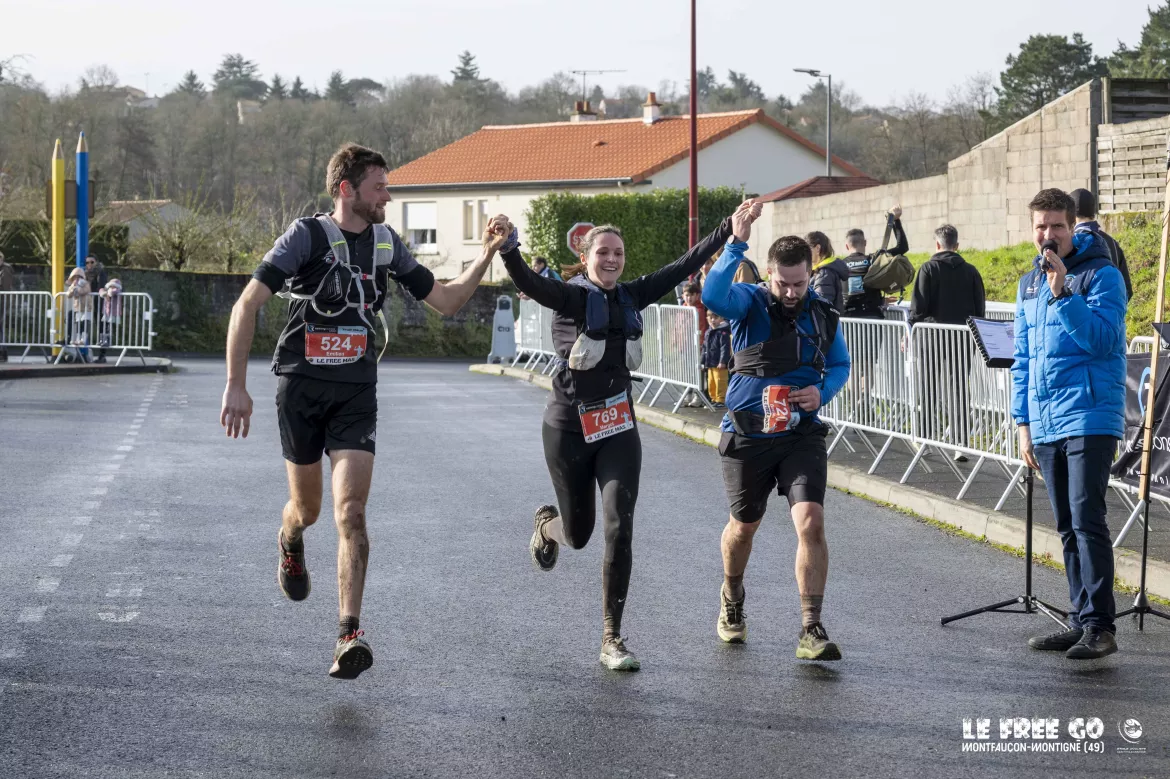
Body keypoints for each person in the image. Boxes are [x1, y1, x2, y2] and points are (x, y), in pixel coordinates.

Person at [219, 142, 511, 679]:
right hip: (301, 388)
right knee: (306, 510)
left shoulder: (385, 243)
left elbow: (446, 301)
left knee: (351, 512)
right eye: (379, 187)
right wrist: (235, 384)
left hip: (356, 391)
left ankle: (348, 633)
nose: (388, 197)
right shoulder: (306, 237)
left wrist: (488, 253)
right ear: (345, 189)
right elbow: (246, 304)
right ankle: (290, 538)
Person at [501, 200, 759, 671]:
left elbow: (684, 263)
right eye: (602, 252)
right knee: (578, 534)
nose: (611, 259)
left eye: (618, 253)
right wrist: (509, 248)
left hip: (618, 428)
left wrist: (729, 229)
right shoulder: (571, 297)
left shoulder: (632, 295)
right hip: (568, 428)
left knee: (619, 526)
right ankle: (547, 527)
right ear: (585, 258)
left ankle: (612, 637)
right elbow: (531, 284)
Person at [702, 230, 851, 660]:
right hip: (748, 436)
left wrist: (822, 391)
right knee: (743, 528)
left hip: (800, 435)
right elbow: (712, 295)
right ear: (769, 274)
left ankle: (811, 627)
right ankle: (732, 595)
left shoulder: (822, 314)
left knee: (811, 522)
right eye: (782, 283)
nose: (790, 292)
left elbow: (839, 364)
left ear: (810, 274)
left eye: (799, 283)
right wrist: (735, 244)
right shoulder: (748, 303)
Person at [1013, 188, 1127, 660]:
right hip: (1045, 421)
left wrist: (1062, 294)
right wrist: (1022, 423)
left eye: (1057, 226)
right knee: (1065, 524)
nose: (1048, 234)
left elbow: (1102, 340)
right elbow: (1023, 358)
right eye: (1041, 226)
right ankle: (1080, 618)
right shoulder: (1028, 283)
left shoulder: (1102, 274)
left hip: (1089, 414)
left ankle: (1101, 625)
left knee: (1086, 518)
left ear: (1073, 227)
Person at [909, 224, 986, 460]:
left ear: (937, 244)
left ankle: (924, 439)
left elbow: (918, 308)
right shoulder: (971, 271)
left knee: (928, 386)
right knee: (959, 387)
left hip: (931, 336)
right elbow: (979, 309)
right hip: (962, 337)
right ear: (957, 245)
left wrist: (909, 330)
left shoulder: (928, 268)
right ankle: (960, 443)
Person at [842, 207, 908, 319]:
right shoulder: (875, 260)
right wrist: (896, 220)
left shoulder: (840, 265)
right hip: (873, 318)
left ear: (847, 246)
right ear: (865, 243)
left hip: (848, 320)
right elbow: (902, 247)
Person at [1069, 188, 1133, 303]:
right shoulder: (1112, 242)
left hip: (1079, 311)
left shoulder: (1069, 243)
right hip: (1114, 310)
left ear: (1070, 215)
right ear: (1093, 212)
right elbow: (1127, 289)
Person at [807, 231, 847, 312]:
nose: (805, 254)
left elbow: (821, 304)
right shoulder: (824, 270)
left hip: (823, 319)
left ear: (817, 248)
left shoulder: (824, 273)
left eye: (807, 249)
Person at [702, 310, 731, 406]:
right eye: (711, 318)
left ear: (721, 319)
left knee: (720, 381)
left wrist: (722, 361)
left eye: (716, 318)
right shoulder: (708, 332)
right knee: (711, 381)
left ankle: (721, 399)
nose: (713, 320)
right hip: (710, 362)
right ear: (707, 319)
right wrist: (702, 361)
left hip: (719, 363)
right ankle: (713, 398)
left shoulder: (723, 332)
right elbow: (704, 348)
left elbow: (725, 348)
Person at [65, 267, 92, 348]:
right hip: (78, 308)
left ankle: (83, 339)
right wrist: (73, 288)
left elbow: (86, 290)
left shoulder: (86, 284)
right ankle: (77, 339)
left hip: (86, 307)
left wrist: (78, 288)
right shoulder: (73, 285)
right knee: (78, 323)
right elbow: (68, 295)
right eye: (75, 277)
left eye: (78, 277)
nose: (76, 279)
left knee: (85, 323)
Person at [0, 250, 13, 362]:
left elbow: (5, 287)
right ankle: (3, 352)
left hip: (1, 302)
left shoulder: (5, 269)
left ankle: (2, 352)